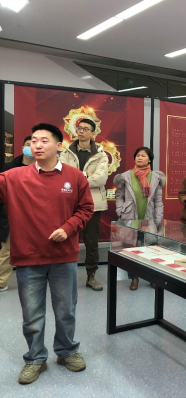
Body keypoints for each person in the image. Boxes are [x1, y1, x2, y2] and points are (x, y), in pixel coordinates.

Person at [0, 124, 94, 385]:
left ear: (58, 146)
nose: (37, 145)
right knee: (32, 314)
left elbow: (86, 208)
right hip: (28, 257)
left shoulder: (75, 177)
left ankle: (67, 351)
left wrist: (68, 228)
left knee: (66, 310)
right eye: (33, 141)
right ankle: (35, 358)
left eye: (44, 140)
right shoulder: (14, 177)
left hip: (63, 256)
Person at [59, 119, 109, 292]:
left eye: (85, 129)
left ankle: (91, 275)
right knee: (66, 239)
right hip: (69, 204)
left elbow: (101, 179)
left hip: (92, 205)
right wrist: (87, 175)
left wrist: (77, 178)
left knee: (91, 241)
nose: (80, 131)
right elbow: (62, 175)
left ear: (93, 133)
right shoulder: (67, 152)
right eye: (79, 128)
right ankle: (64, 275)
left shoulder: (101, 154)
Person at [114, 147, 165, 291]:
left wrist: (158, 219)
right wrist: (120, 210)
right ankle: (134, 278)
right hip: (130, 217)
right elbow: (119, 196)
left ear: (149, 159)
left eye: (143, 156)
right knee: (132, 249)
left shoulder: (155, 177)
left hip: (149, 218)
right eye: (137, 155)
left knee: (150, 249)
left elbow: (158, 200)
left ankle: (151, 278)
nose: (140, 158)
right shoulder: (126, 176)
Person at [0, 136, 35, 292]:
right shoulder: (9, 167)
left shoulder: (43, 168)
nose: (30, 147)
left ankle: (38, 279)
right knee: (7, 251)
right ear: (22, 147)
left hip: (35, 216)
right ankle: (1, 282)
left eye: (33, 144)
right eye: (28, 144)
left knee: (36, 249)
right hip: (12, 215)